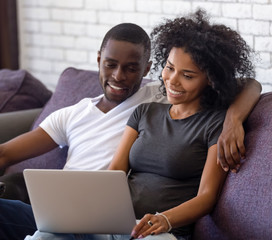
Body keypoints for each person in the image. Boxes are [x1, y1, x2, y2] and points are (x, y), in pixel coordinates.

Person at [0, 21, 260, 240]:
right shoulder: (91, 113)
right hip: (79, 212)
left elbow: (248, 84)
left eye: (131, 68)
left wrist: (232, 121)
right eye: (111, 65)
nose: (119, 76)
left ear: (146, 69)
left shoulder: (160, 95)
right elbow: (4, 153)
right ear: (98, 60)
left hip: (139, 223)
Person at [27, 9, 257, 240]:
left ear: (210, 79)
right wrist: (88, 209)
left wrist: (165, 219)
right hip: (115, 223)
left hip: (161, 232)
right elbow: (115, 171)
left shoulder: (214, 124)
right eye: (169, 67)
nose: (172, 80)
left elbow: (207, 197)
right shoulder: (145, 111)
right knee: (45, 235)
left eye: (187, 75)